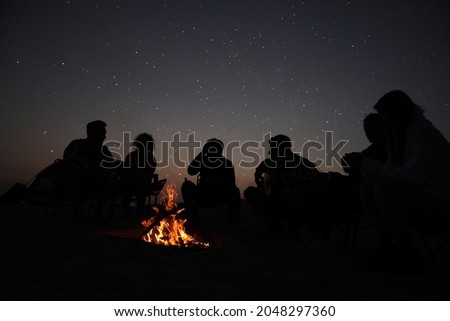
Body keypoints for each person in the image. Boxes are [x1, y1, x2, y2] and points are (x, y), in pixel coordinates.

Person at [347, 90, 450, 271]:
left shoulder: (423, 132)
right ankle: (386, 247)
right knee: (366, 187)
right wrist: (361, 167)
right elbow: (395, 172)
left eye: (385, 115)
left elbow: (412, 177)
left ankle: (407, 252)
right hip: (421, 202)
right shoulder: (401, 139)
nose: (383, 121)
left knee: (384, 185)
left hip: (441, 205)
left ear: (397, 113)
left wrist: (366, 163)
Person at [244, 134, 320, 238]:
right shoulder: (274, 162)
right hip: (278, 204)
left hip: (295, 207)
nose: (270, 152)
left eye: (273, 149)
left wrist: (282, 175)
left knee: (303, 193)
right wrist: (259, 173)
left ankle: (288, 229)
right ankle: (276, 227)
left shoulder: (299, 163)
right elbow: (264, 166)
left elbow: (314, 181)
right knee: (250, 192)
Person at [62, 120, 120, 217]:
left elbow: (112, 165)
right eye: (101, 133)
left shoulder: (104, 150)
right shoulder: (77, 144)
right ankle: (78, 212)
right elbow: (69, 157)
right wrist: (91, 167)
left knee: (110, 180)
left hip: (95, 183)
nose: (104, 137)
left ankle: (97, 214)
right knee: (74, 175)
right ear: (92, 133)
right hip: (74, 183)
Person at [181, 138, 240, 224]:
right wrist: (201, 154)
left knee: (235, 191)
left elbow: (232, 184)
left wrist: (219, 183)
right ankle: (193, 217)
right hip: (203, 194)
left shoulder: (227, 163)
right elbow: (190, 171)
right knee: (186, 185)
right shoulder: (202, 160)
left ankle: (233, 221)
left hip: (220, 194)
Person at [121, 133, 158, 218]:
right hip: (129, 183)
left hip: (143, 184)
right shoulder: (131, 156)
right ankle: (128, 214)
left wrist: (143, 175)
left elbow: (149, 173)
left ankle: (138, 214)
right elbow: (125, 171)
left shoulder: (151, 159)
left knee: (141, 185)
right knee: (130, 185)